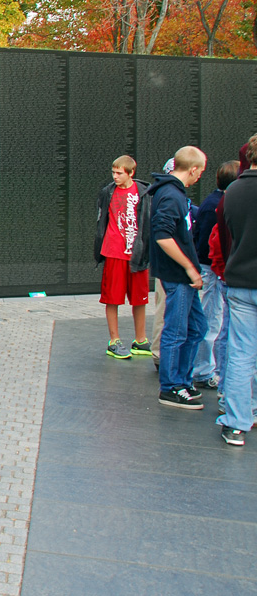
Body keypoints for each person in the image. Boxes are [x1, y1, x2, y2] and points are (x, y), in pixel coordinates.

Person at [148, 147, 209, 408]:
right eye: (201, 171)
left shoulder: (172, 193)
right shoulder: (172, 195)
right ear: (193, 169)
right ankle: (171, 387)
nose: (200, 177)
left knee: (196, 328)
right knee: (176, 330)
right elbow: (163, 235)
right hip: (178, 276)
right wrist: (190, 268)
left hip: (181, 276)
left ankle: (182, 381)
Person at [219, 135, 257, 446]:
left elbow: (229, 232)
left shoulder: (233, 191)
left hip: (241, 282)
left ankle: (236, 423)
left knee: (241, 355)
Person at [94, 155, 150, 358]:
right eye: (113, 172)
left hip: (137, 253)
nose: (115, 177)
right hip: (114, 251)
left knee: (140, 298)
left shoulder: (144, 192)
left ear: (131, 173)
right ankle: (114, 340)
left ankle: (140, 339)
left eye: (119, 173)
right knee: (112, 297)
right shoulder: (108, 192)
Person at [192, 160, 241, 388]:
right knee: (212, 321)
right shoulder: (219, 206)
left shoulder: (213, 202)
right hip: (211, 269)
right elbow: (208, 243)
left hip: (210, 268)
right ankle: (203, 370)